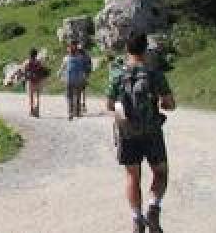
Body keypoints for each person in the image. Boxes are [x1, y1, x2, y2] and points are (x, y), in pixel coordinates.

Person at [107, 32, 175, 233]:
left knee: (132, 177)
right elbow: (170, 104)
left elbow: (111, 105)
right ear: (145, 49)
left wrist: (123, 120)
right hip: (152, 131)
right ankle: (153, 207)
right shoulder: (154, 73)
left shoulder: (118, 74)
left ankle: (137, 219)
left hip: (128, 134)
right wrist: (161, 103)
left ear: (126, 50)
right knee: (160, 173)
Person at [60, 40, 93, 119]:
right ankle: (77, 112)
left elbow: (62, 68)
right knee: (78, 95)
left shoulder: (66, 58)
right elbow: (86, 67)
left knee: (70, 96)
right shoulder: (81, 57)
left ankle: (71, 112)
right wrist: (85, 75)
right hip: (79, 78)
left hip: (69, 79)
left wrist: (60, 75)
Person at [22, 47, 47, 117]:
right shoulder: (39, 62)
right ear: (36, 55)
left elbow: (23, 71)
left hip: (30, 81)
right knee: (37, 96)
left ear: (30, 55)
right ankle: (37, 111)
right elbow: (44, 71)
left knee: (31, 97)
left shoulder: (27, 62)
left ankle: (31, 110)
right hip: (38, 81)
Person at [77, 43, 93, 114]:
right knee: (82, 91)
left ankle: (81, 105)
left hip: (81, 75)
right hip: (84, 75)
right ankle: (82, 105)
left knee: (80, 91)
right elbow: (90, 67)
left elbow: (89, 66)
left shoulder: (79, 56)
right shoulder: (87, 56)